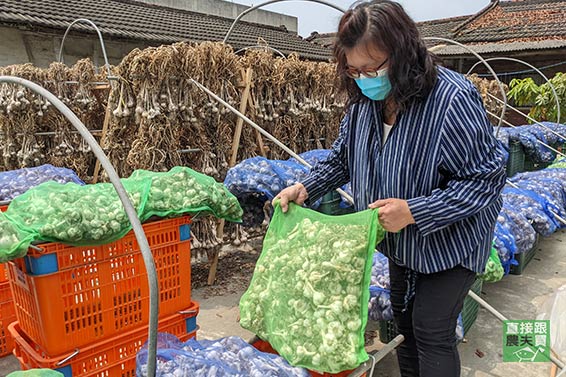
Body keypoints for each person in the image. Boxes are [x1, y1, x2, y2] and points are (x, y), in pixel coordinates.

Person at [275, 1, 507, 376]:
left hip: (451, 242)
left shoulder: (451, 100)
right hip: (399, 243)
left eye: (373, 68)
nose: (365, 78)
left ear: (403, 54)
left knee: (432, 330)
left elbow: (485, 179)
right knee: (405, 327)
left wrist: (415, 211)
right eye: (354, 70)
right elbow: (343, 160)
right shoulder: (363, 104)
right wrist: (305, 187)